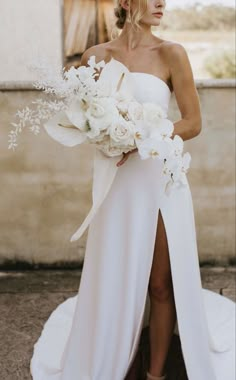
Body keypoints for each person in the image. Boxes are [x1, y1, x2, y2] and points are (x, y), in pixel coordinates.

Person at [30, 1, 235, 380]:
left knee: (160, 284)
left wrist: (143, 133)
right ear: (125, 1)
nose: (162, 3)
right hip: (117, 186)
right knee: (114, 278)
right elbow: (86, 124)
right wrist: (109, 135)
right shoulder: (95, 57)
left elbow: (192, 122)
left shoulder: (172, 53)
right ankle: (112, 357)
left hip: (160, 180)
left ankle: (154, 374)